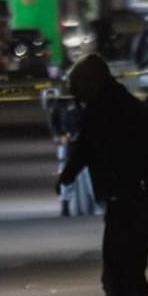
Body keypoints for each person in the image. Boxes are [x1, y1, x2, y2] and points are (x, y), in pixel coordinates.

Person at [57, 53, 148, 296]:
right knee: (130, 276)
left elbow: (85, 148)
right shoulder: (128, 104)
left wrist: (65, 177)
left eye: (78, 91)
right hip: (145, 197)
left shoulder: (103, 110)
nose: (77, 99)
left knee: (118, 278)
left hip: (129, 200)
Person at [42, 86, 101, 217]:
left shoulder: (92, 102)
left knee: (91, 176)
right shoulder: (63, 102)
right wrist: (61, 134)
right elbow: (54, 120)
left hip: (88, 144)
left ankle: (98, 203)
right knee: (68, 174)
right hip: (71, 144)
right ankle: (65, 204)